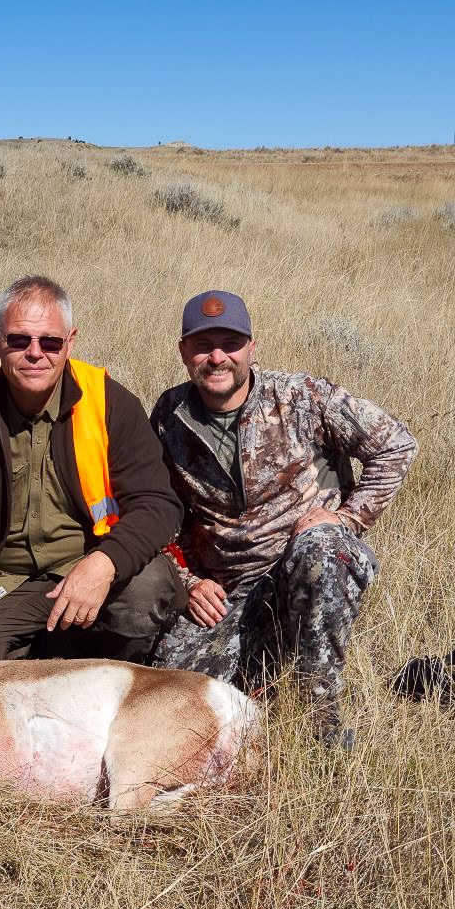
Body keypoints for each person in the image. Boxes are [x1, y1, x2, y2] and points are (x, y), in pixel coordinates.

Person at [150, 290, 418, 747]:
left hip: (307, 563)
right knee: (168, 688)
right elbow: (157, 511)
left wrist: (347, 519)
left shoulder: (299, 396)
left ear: (251, 347)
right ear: (183, 352)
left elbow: (396, 444)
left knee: (320, 551)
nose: (217, 357)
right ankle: (271, 662)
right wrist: (188, 582)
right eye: (202, 344)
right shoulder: (167, 417)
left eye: (230, 343)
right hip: (233, 591)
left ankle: (321, 721)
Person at [0, 275, 185, 662]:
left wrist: (103, 564)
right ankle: (32, 656)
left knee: (145, 593)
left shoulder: (109, 404)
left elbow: (158, 503)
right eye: (18, 339)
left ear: (70, 342)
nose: (35, 352)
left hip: (88, 568)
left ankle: (91, 674)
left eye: (50, 341)